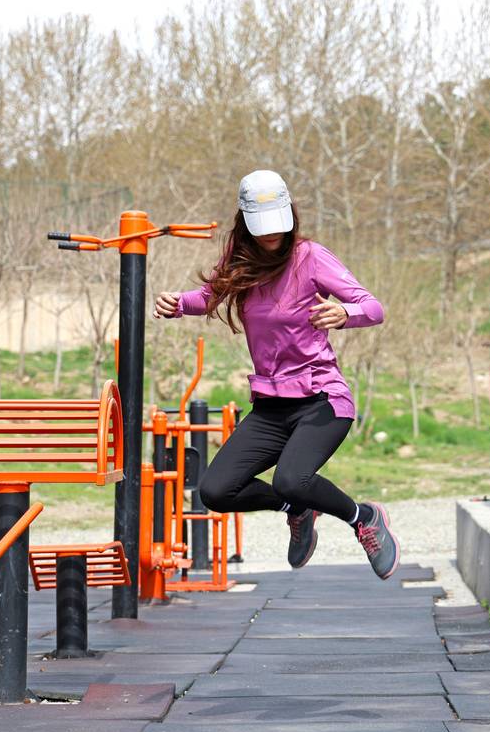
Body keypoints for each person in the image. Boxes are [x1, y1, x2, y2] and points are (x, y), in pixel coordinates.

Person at [154, 169, 399, 579]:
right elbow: (211, 295)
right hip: (271, 406)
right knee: (216, 490)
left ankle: (364, 518)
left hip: (321, 399)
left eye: (277, 227)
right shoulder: (241, 259)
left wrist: (344, 313)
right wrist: (179, 303)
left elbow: (372, 307)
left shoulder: (310, 257)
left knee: (292, 478)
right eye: (262, 229)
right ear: (246, 223)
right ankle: (297, 510)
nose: (272, 236)